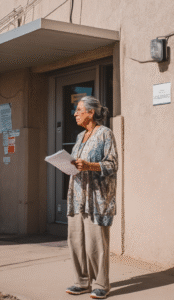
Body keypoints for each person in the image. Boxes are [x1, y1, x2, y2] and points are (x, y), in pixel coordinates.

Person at [66, 96, 118, 299]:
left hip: (97, 197)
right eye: (76, 110)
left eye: (79, 110)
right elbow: (76, 162)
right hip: (77, 195)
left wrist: (89, 166)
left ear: (91, 113)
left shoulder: (105, 134)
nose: (75, 114)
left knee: (96, 242)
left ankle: (101, 284)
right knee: (76, 240)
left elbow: (112, 164)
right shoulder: (80, 136)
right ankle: (81, 282)